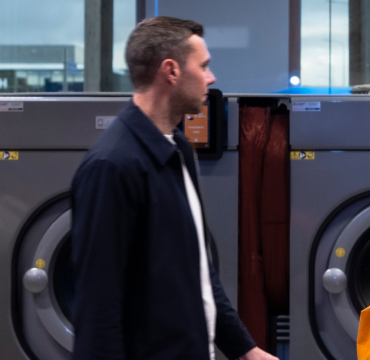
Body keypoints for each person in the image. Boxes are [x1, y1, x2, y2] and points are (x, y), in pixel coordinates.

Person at [69, 16, 278, 360]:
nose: (211, 78)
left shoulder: (177, 148)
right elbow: (98, 309)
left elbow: (198, 271)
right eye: (204, 66)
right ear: (171, 71)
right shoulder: (112, 166)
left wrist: (245, 350)